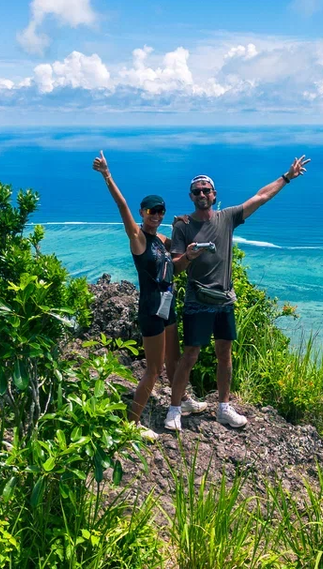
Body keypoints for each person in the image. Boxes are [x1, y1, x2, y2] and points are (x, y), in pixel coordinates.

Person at [165, 155, 311, 431]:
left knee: (225, 353)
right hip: (197, 300)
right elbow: (175, 269)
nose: (202, 195)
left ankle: (223, 407)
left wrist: (287, 177)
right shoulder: (183, 225)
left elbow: (260, 197)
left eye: (206, 191)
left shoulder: (227, 217)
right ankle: (174, 408)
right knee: (190, 355)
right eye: (197, 192)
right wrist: (189, 255)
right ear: (191, 196)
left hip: (224, 300)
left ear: (214, 194)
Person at [91, 151, 207, 440]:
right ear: (142, 213)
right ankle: (131, 422)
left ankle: (180, 400)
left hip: (167, 305)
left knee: (174, 360)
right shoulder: (139, 239)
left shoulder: (162, 241)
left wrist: (189, 255)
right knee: (154, 368)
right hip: (151, 309)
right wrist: (107, 175)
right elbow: (122, 205)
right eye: (150, 211)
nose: (155, 216)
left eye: (160, 212)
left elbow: (176, 267)